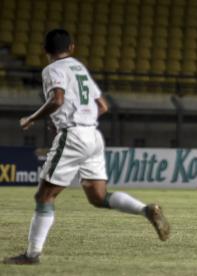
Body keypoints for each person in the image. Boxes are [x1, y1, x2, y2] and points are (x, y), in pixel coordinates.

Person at [3, 29, 170, 265]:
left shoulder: (53, 69)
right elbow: (102, 105)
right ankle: (146, 210)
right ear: (71, 47)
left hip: (73, 135)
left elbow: (57, 99)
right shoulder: (79, 68)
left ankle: (32, 255)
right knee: (98, 197)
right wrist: (80, 117)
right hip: (92, 134)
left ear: (45, 51)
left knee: (44, 196)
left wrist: (31, 118)